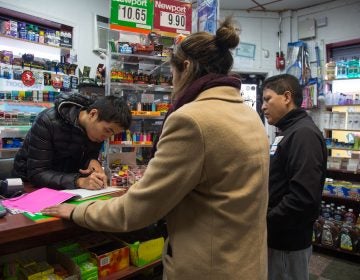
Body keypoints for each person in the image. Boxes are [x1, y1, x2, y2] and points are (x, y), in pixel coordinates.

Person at [42, 17, 270, 279]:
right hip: (247, 263)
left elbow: (139, 209)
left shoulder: (192, 120)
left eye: (171, 74)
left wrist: (78, 211)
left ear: (186, 67)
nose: (172, 84)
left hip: (208, 267)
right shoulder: (248, 114)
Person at [261, 74, 327, 280]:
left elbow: (303, 198)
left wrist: (265, 222)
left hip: (287, 242)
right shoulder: (287, 131)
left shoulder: (303, 134)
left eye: (267, 99)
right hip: (278, 238)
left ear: (287, 97)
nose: (263, 106)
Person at [12, 93, 131, 190]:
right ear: (93, 114)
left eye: (112, 134)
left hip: (66, 189)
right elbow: (37, 174)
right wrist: (79, 181)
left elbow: (86, 155)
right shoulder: (47, 121)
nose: (106, 137)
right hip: (28, 187)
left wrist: (92, 161)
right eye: (107, 130)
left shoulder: (95, 132)